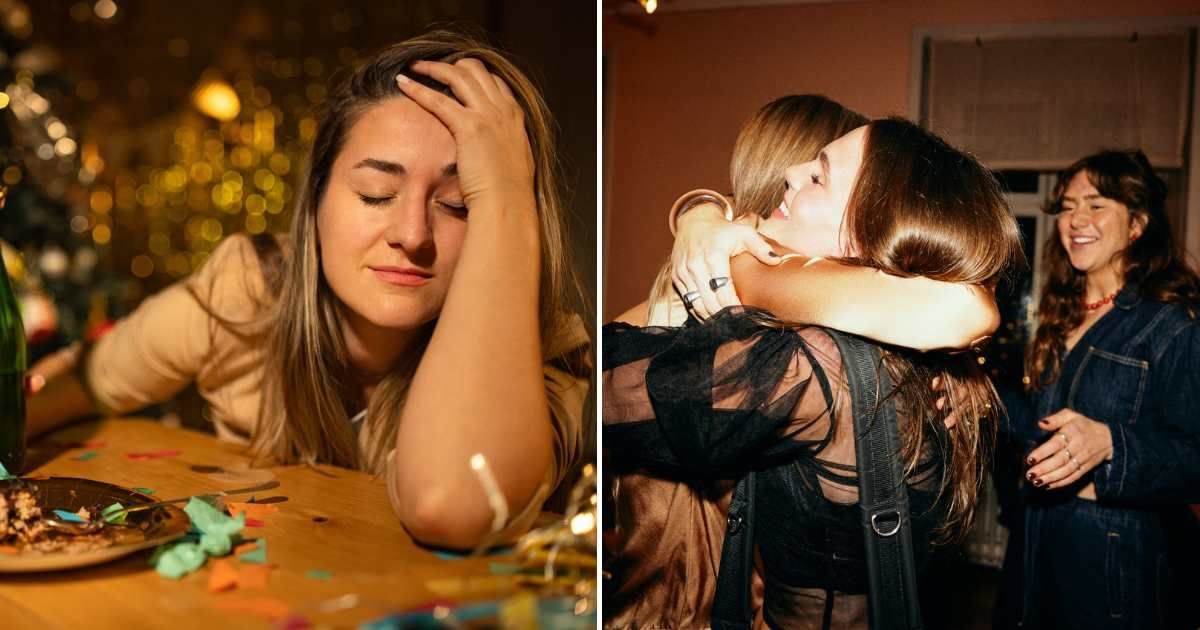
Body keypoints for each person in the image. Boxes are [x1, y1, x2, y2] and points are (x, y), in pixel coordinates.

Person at [23, 31, 590, 550]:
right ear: (316, 200)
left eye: (460, 205)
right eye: (374, 194)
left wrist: (509, 197)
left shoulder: (548, 346)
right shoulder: (250, 288)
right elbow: (83, 380)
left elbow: (451, 504)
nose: (413, 235)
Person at [605, 116, 1023, 629]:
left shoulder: (820, 365)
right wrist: (701, 215)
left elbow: (602, 395)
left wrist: (712, 261)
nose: (792, 171)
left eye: (820, 176)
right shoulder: (910, 359)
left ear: (864, 236)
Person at [996, 150, 1200, 629]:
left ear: (1137, 224)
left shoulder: (1173, 324)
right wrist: (976, 397)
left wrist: (1111, 442)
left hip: (1113, 566)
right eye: (1067, 206)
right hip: (1033, 544)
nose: (1075, 220)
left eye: (1096, 204)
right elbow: (1036, 422)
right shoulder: (1059, 312)